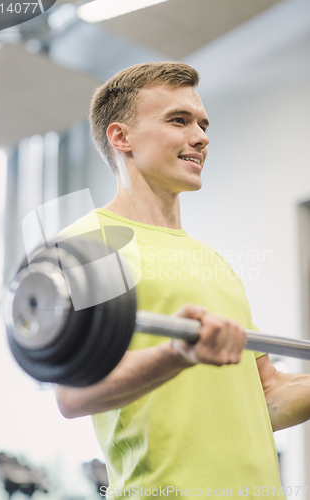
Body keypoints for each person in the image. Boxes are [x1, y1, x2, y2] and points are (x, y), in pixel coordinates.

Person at [54, 62, 310, 498]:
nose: (202, 137)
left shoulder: (211, 260)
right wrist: (177, 353)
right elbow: (74, 395)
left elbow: (266, 395)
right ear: (122, 137)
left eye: (203, 124)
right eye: (179, 120)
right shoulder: (92, 243)